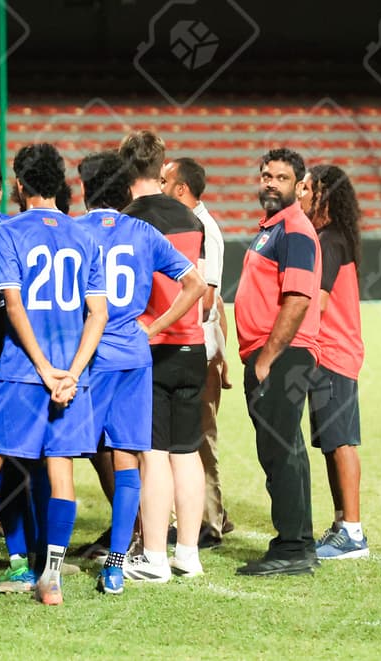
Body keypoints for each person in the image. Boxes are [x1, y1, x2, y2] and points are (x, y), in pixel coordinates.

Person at [0, 143, 108, 607]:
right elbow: (98, 313)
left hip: (21, 374)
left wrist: (42, 368)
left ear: (20, 184)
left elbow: (12, 305)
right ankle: (50, 581)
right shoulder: (85, 235)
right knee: (61, 472)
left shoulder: (9, 232)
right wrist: (70, 371)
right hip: (72, 379)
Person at [76, 150, 205, 593]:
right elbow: (196, 285)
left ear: (85, 188)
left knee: (57, 457)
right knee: (128, 455)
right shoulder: (143, 232)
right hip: (134, 355)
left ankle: (43, 563)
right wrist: (153, 325)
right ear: (126, 186)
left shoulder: (75, 232)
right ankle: (116, 563)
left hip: (87, 358)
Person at [119, 130, 207, 583]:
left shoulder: (128, 221)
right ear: (162, 166)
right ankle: (188, 553)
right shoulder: (192, 220)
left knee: (153, 454)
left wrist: (151, 325)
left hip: (151, 347)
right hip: (193, 345)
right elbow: (202, 289)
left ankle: (154, 556)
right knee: (187, 452)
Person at [234, 147, 321, 576]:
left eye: (281, 178)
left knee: (279, 450)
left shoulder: (295, 230)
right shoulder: (272, 228)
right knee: (288, 449)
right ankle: (298, 541)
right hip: (279, 355)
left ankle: (292, 547)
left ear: (299, 186)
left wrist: (267, 357)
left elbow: (299, 298)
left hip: (284, 356)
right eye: (266, 175)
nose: (270, 182)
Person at [160, 157, 234, 547]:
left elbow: (207, 298)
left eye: (164, 181)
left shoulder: (201, 228)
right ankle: (211, 512)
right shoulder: (191, 224)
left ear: (181, 188)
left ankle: (209, 523)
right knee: (190, 434)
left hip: (195, 345)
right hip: (201, 345)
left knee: (199, 436)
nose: (160, 187)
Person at [300, 164, 368, 560]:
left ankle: (354, 532)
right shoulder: (332, 237)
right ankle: (343, 522)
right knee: (329, 440)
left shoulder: (328, 240)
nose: (302, 194)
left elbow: (318, 303)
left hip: (334, 353)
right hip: (329, 352)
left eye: (308, 188)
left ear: (324, 195)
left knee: (340, 440)